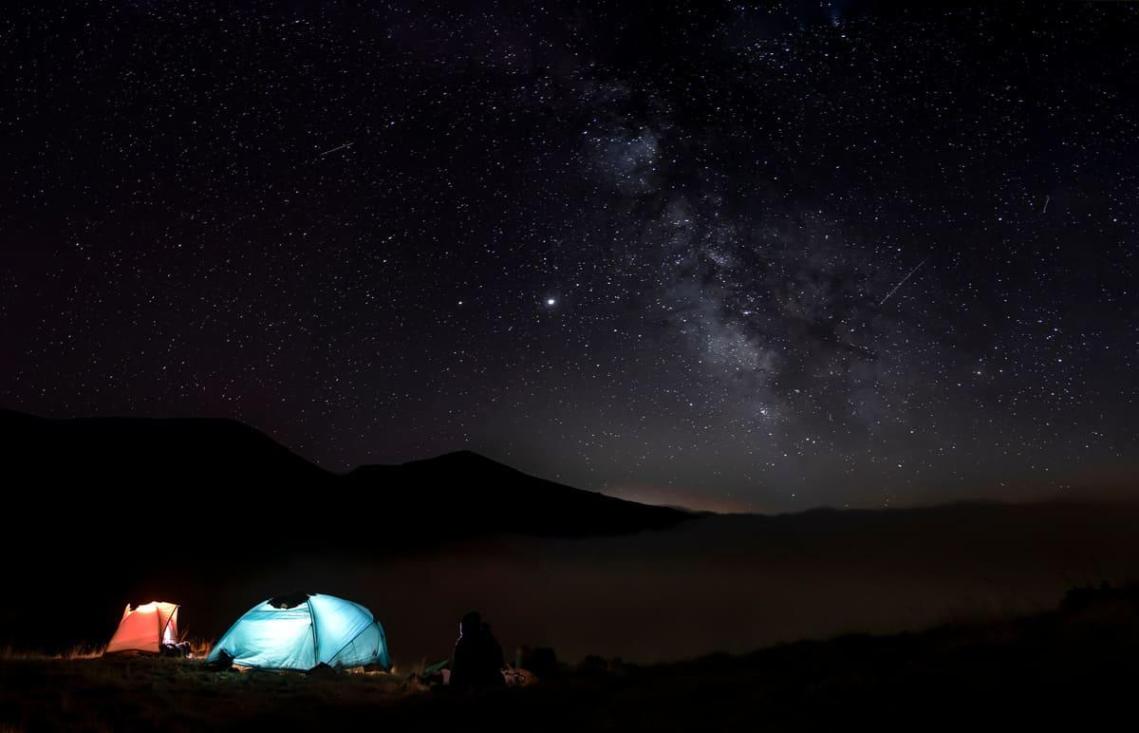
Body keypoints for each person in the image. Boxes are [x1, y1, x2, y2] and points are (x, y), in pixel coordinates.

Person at [449, 611, 505, 690]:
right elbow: (500, 663)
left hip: (471, 689)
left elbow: (455, 676)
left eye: (462, 633)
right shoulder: (491, 641)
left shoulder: (464, 645)